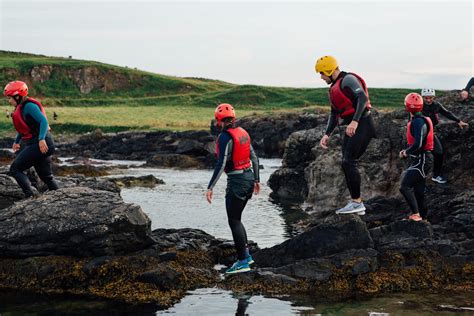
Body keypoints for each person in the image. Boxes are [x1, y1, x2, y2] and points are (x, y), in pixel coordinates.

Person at [315, 55, 376, 215]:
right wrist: (327, 134)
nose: (321, 77)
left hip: (362, 123)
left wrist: (355, 121)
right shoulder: (334, 87)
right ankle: (357, 204)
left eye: (322, 73)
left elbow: (362, 98)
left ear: (329, 70)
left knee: (349, 161)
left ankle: (357, 203)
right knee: (346, 162)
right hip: (351, 125)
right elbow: (334, 113)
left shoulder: (348, 79)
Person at [206, 103, 260, 274]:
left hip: (237, 182)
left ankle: (243, 261)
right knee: (238, 219)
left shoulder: (224, 137)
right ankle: (247, 256)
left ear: (219, 120)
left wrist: (210, 186)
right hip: (249, 178)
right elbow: (254, 157)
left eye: (217, 121)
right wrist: (257, 179)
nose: (217, 124)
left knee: (234, 221)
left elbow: (221, 163)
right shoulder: (243, 132)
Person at [4, 81, 59, 197]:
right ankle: (60, 195)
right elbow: (25, 128)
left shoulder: (29, 106)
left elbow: (43, 121)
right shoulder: (21, 107)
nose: (9, 101)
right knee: (46, 176)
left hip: (41, 143)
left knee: (15, 169)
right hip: (41, 143)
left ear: (17, 96)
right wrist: (17, 141)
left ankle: (30, 196)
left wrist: (41, 139)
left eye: (10, 98)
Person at [420, 88, 469, 184]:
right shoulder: (419, 106)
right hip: (420, 134)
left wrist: (458, 121)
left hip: (430, 133)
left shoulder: (436, 105)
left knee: (439, 152)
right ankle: (419, 181)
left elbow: (447, 113)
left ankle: (436, 175)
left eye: (430, 98)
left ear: (434, 97)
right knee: (421, 157)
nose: (428, 100)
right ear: (422, 97)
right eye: (426, 98)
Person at [399, 93, 434, 221]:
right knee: (419, 192)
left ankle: (416, 214)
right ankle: (423, 219)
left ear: (407, 107)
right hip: (423, 159)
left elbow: (418, 144)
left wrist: (406, 152)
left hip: (422, 160)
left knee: (404, 187)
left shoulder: (417, 122)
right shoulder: (422, 119)